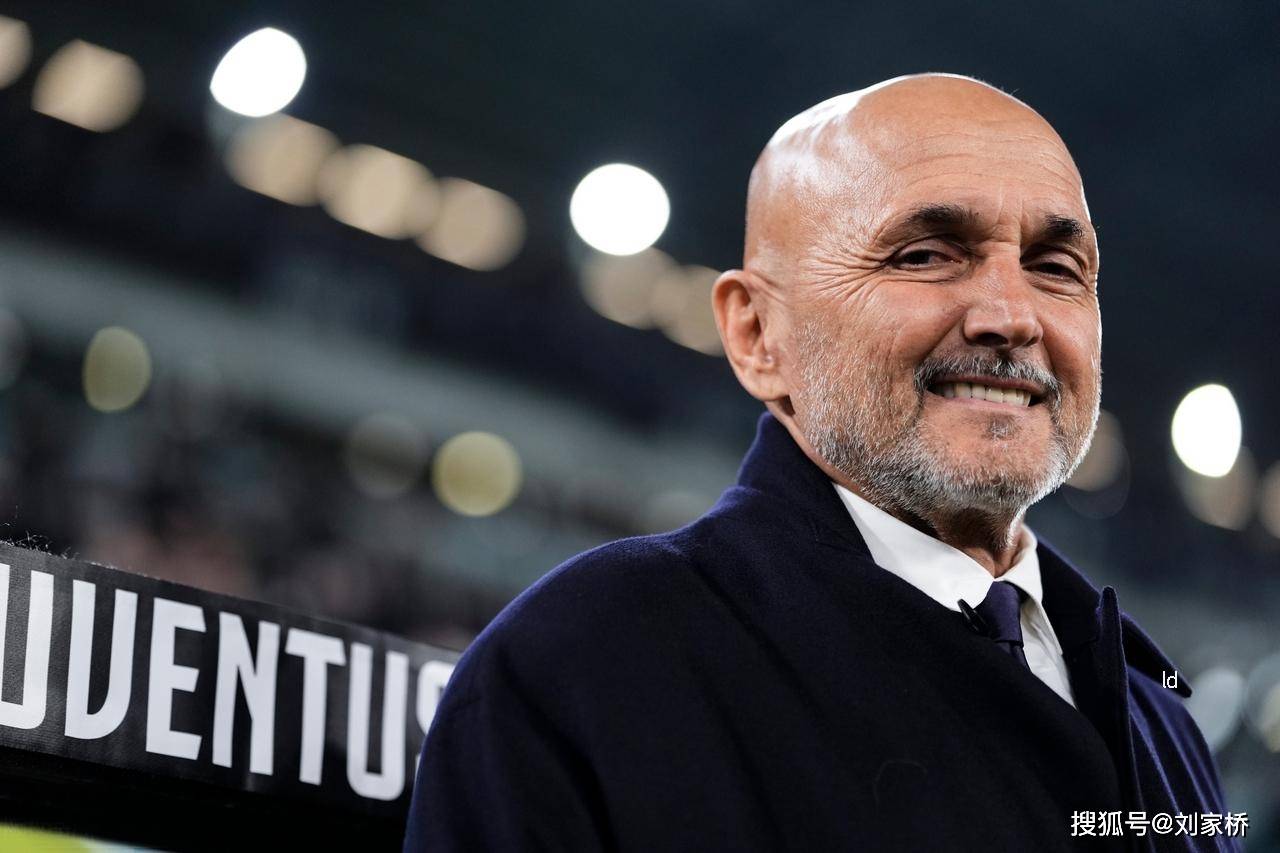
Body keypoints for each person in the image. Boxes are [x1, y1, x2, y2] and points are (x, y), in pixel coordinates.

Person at [403, 74, 1235, 852]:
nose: (1012, 315)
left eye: (1055, 268)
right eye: (926, 255)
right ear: (757, 335)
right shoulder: (581, 665)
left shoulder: (1159, 717)